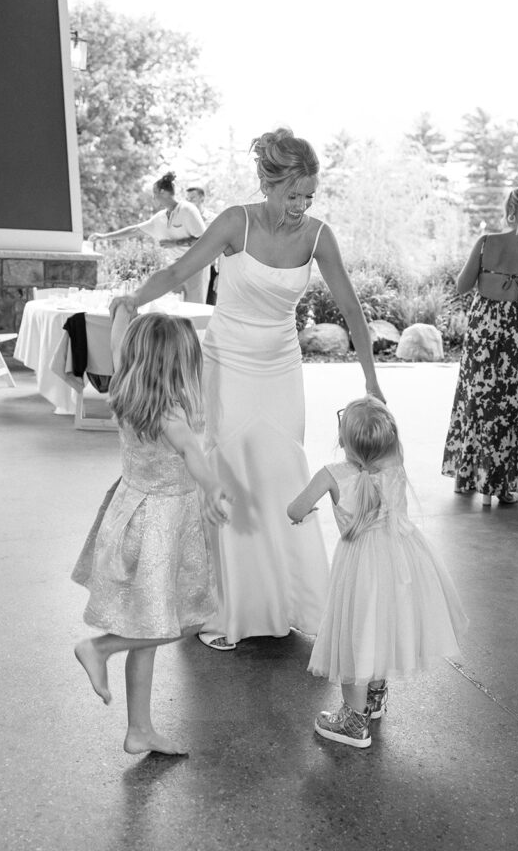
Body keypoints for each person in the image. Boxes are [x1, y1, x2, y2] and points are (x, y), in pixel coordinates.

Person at [110, 126, 385, 651]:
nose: (300, 206)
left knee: (283, 473)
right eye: (291, 195)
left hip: (281, 365)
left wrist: (371, 376)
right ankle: (228, 612)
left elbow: (351, 308)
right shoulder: (234, 221)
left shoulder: (319, 236)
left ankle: (295, 602)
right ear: (266, 182)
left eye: (309, 196)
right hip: (228, 362)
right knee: (230, 473)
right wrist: (134, 300)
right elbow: (179, 270)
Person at [71, 313, 229, 755]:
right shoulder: (171, 415)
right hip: (161, 526)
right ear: (179, 364)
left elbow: (123, 337)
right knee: (187, 620)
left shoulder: (128, 396)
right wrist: (214, 487)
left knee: (149, 624)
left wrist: (126, 311)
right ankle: (100, 648)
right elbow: (194, 455)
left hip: (133, 512)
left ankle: (139, 729)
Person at [287, 398, 468, 749]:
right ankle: (373, 697)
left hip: (359, 566)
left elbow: (294, 508)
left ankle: (354, 722)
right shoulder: (396, 463)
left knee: (355, 635)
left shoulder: (332, 474)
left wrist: (303, 514)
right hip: (401, 558)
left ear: (344, 441)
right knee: (382, 625)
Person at [442, 184, 518, 506]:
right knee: (512, 405)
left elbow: (463, 286)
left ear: (512, 207)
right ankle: (503, 485)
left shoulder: (486, 243)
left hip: (483, 329)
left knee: (476, 399)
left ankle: (467, 477)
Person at [88, 171, 208, 303]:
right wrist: (103, 237)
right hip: (174, 267)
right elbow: (134, 230)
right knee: (174, 307)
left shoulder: (187, 209)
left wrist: (175, 243)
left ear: (163, 192)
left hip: (195, 265)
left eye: (154, 193)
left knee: (193, 308)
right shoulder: (160, 217)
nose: (153, 197)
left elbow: (205, 240)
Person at [185, 182, 219, 305]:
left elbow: (223, 248)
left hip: (210, 271)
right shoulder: (185, 221)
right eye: (187, 200)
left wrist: (220, 274)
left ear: (202, 198)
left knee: (209, 309)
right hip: (189, 272)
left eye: (192, 199)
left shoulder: (214, 219)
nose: (189, 203)